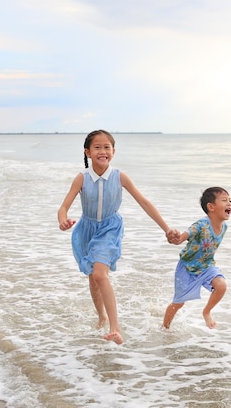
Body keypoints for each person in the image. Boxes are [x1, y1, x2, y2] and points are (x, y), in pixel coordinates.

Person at [58, 129, 176, 345]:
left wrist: (166, 229)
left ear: (113, 151)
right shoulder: (81, 178)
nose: (102, 151)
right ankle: (101, 316)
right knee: (93, 279)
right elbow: (64, 206)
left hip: (110, 228)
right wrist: (63, 220)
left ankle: (115, 327)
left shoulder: (119, 176)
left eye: (107, 147)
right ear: (87, 152)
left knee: (101, 274)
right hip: (86, 230)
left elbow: (144, 202)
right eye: (97, 147)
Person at [163, 187, 231, 330]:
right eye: (224, 200)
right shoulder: (201, 225)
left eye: (230, 200)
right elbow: (184, 236)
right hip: (187, 267)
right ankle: (165, 327)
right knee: (179, 303)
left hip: (207, 266)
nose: (229, 203)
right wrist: (177, 237)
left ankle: (206, 312)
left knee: (221, 285)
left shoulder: (224, 227)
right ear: (211, 207)